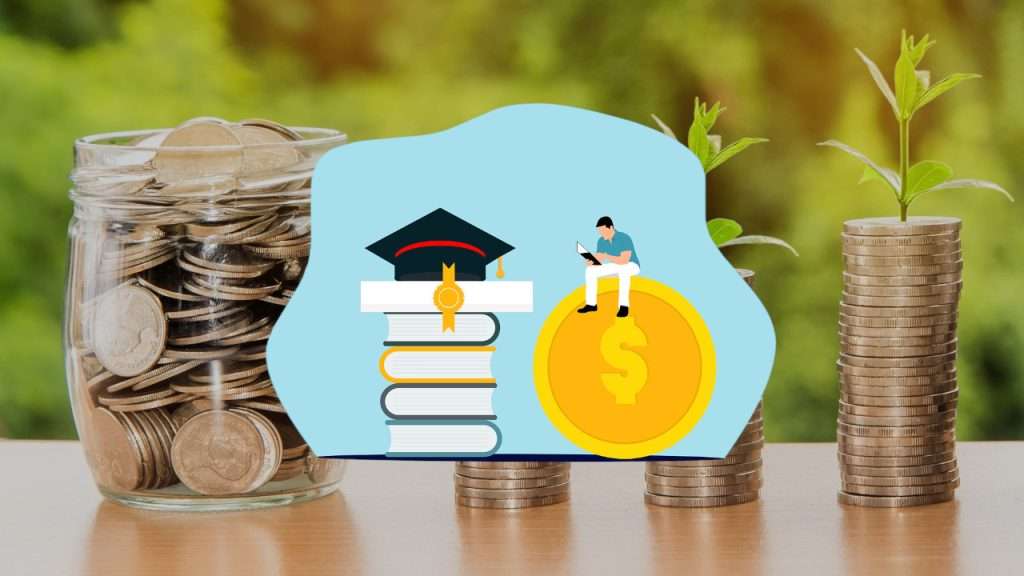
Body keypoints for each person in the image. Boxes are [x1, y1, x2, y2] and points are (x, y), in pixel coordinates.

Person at [578, 216, 640, 317]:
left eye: (603, 231)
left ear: (611, 227)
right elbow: (599, 258)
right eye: (599, 231)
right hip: (616, 266)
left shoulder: (624, 238)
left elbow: (624, 260)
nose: (601, 234)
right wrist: (592, 261)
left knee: (623, 270)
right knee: (590, 270)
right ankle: (591, 304)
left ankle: (624, 306)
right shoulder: (601, 240)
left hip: (631, 265)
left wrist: (606, 256)